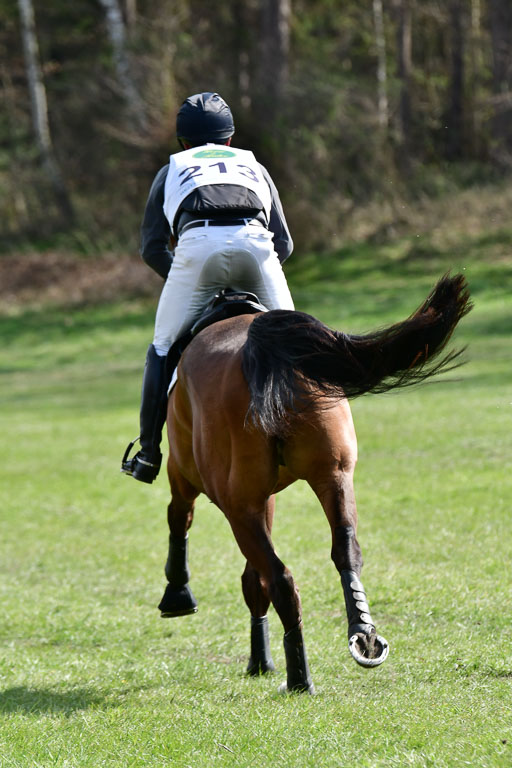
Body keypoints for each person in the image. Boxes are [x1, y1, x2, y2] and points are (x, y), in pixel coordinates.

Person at [121, 91, 295, 484]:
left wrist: (190, 285)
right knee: (295, 340)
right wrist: (254, 278)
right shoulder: (254, 166)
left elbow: (151, 247)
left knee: (162, 347)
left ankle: (148, 454)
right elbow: (284, 243)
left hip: (196, 252)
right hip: (256, 248)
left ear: (182, 142)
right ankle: (304, 426)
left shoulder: (172, 169)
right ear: (230, 139)